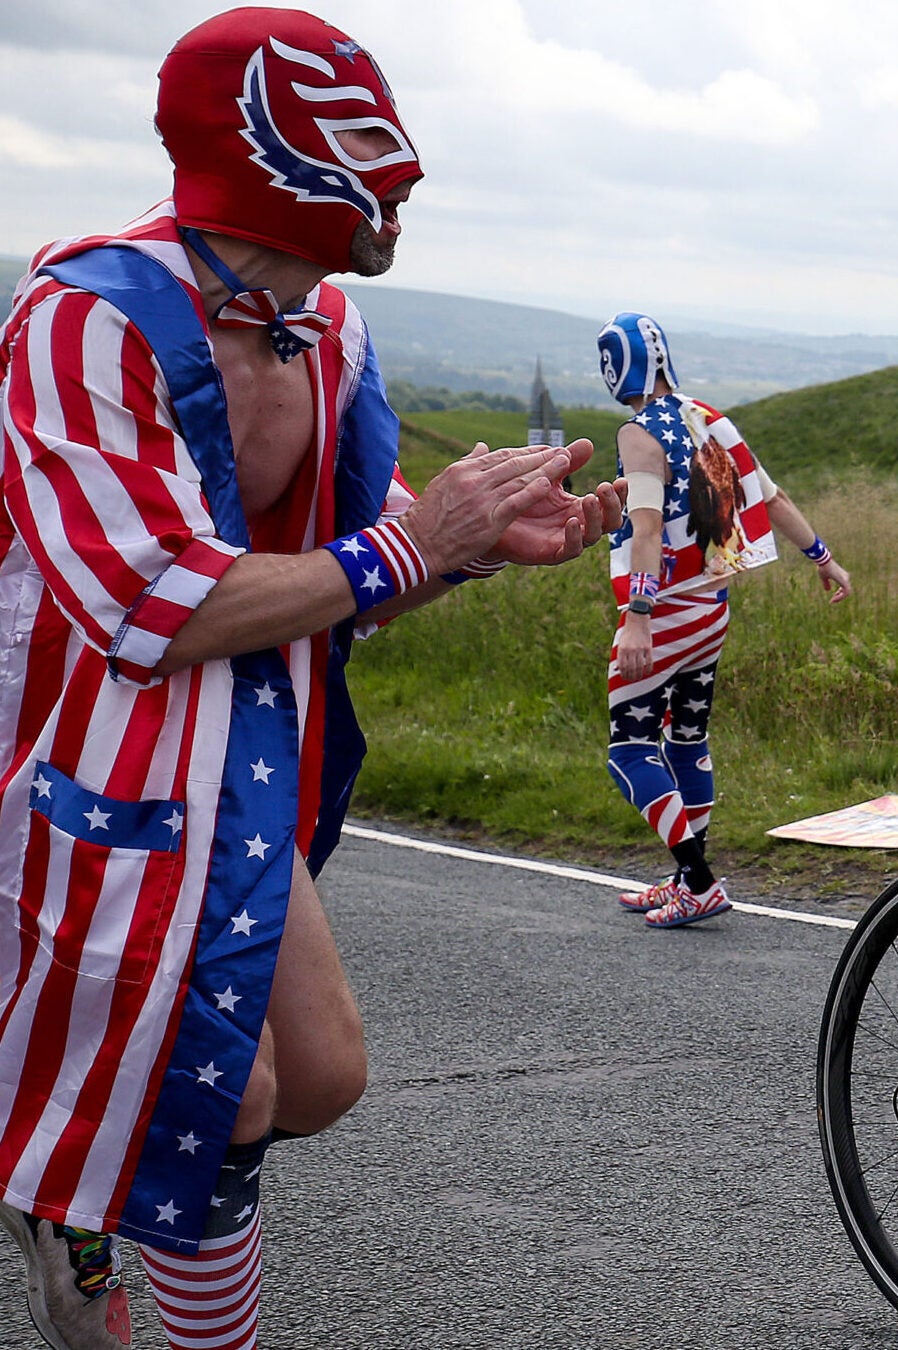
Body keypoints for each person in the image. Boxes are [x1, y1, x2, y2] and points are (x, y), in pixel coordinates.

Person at [0, 12, 622, 1350]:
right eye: (361, 145)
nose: (395, 183)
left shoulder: (325, 325)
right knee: (227, 1091)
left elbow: (360, 559)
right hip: (88, 749)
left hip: (240, 757)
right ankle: (95, 1213)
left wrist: (474, 551)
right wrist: (412, 544)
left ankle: (71, 1187)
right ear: (269, 150)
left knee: (322, 1076)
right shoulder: (79, 317)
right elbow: (145, 604)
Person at [602, 313, 853, 929]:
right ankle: (688, 880)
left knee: (630, 748)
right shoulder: (706, 417)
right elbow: (773, 497)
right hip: (713, 608)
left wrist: (636, 616)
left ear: (616, 365)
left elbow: (647, 527)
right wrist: (823, 558)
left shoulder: (640, 435)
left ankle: (698, 881)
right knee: (687, 738)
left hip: (663, 613)